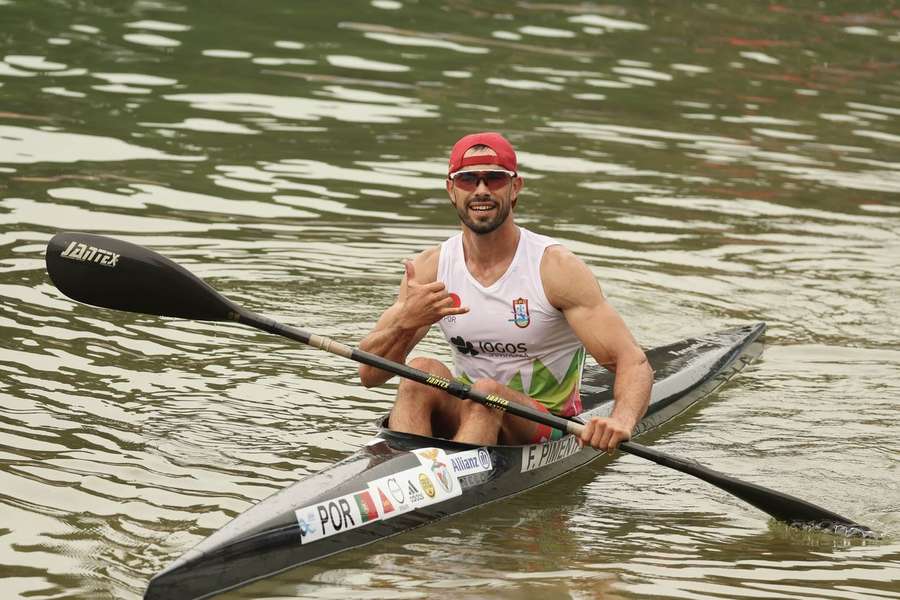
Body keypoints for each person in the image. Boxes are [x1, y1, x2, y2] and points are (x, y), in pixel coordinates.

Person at [358, 132, 652, 452]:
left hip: (544, 423)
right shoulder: (429, 268)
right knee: (421, 372)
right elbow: (370, 375)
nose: (481, 190)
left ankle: (450, 483)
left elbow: (632, 361)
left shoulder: (555, 269)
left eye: (494, 179)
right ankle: (404, 474)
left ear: (515, 188)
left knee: (486, 392)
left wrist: (621, 420)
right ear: (451, 189)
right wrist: (405, 321)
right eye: (468, 179)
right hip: (473, 410)